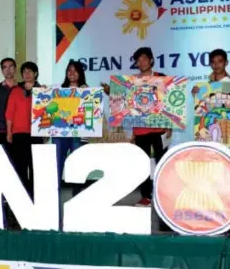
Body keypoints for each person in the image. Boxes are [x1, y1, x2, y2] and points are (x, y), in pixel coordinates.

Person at [101, 47, 171, 207]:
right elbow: (126, 102)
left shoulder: (162, 78)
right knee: (143, 164)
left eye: (144, 59)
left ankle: (163, 196)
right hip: (140, 129)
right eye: (138, 60)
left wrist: (169, 124)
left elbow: (169, 102)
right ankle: (146, 196)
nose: (141, 63)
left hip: (159, 128)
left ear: (151, 60)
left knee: (162, 163)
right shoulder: (132, 81)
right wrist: (111, 93)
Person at [5, 61, 44, 199]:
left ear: (36, 74)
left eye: (30, 72)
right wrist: (9, 132)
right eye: (24, 72)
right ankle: (22, 197)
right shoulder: (15, 91)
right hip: (19, 134)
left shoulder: (42, 91)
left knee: (36, 166)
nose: (27, 74)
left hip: (37, 133)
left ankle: (35, 196)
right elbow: (9, 113)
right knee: (20, 166)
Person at [53, 60, 89, 184]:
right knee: (56, 167)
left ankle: (77, 198)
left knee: (77, 167)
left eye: (75, 70)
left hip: (79, 135)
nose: (72, 73)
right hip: (60, 134)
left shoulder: (88, 91)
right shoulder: (58, 90)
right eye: (69, 70)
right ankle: (54, 198)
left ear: (80, 73)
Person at [0, 58, 17, 153]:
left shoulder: (21, 87)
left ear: (15, 69)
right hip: (1, 130)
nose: (8, 70)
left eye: (11, 67)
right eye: (5, 68)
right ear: (2, 71)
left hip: (18, 131)